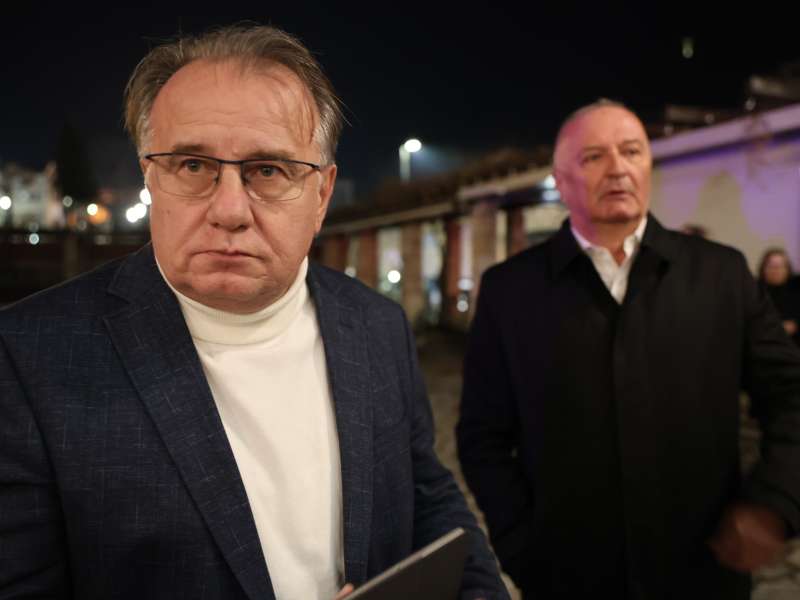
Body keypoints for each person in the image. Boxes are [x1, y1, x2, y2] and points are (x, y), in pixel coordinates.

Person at [0, 25, 507, 600]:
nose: (230, 209)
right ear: (151, 178)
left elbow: (429, 498)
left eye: (268, 170)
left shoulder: (376, 326)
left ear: (321, 196)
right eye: (193, 165)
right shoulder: (29, 359)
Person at [457, 99, 800, 599]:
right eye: (593, 156)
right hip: (567, 579)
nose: (617, 168)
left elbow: (791, 395)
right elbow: (482, 435)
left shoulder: (720, 275)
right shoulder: (511, 291)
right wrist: (519, 544)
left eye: (632, 151)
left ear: (647, 167)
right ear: (560, 180)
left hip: (703, 573)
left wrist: (775, 499)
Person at [758, 247, 800, 344]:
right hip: (765, 344)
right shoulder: (755, 292)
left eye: (781, 266)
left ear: (787, 269)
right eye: (772, 266)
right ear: (763, 269)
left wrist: (795, 325)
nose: (776, 270)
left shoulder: (796, 290)